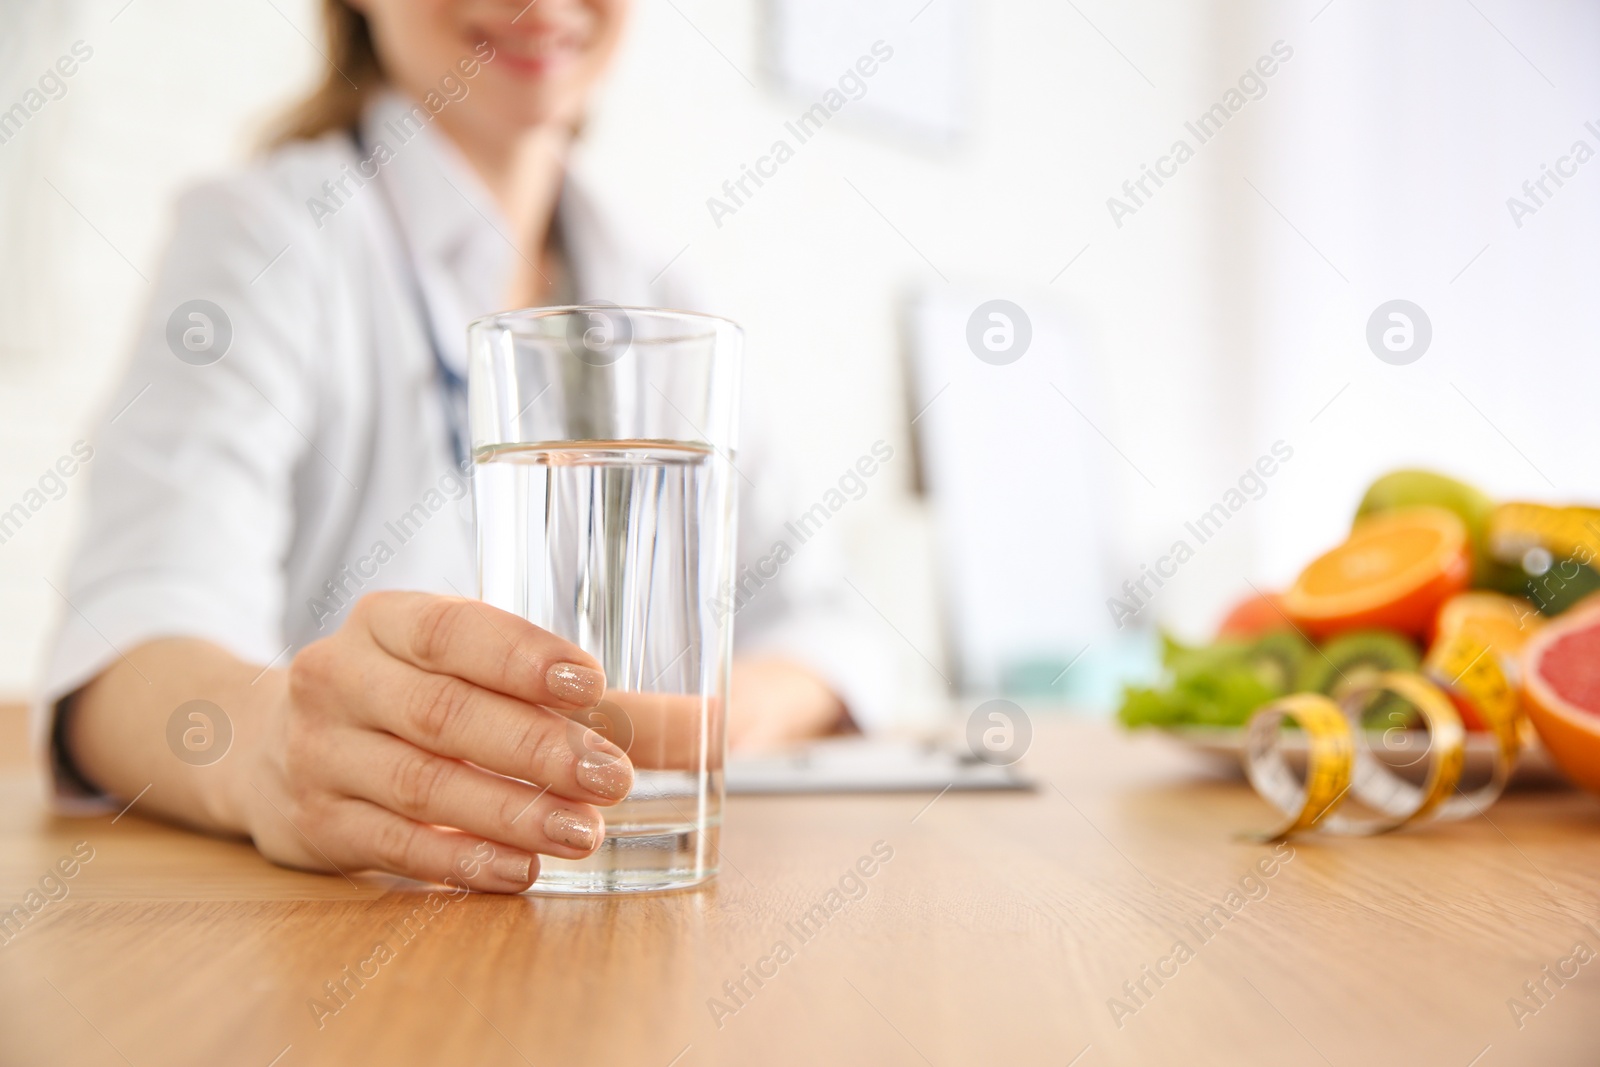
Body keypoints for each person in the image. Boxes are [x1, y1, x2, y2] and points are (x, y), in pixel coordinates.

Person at [36, 0, 892, 894]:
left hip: (630, 913)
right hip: (361, 946)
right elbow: (121, 650)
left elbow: (824, 621)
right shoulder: (262, 236)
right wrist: (270, 751)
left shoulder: (658, 289)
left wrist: (707, 722)